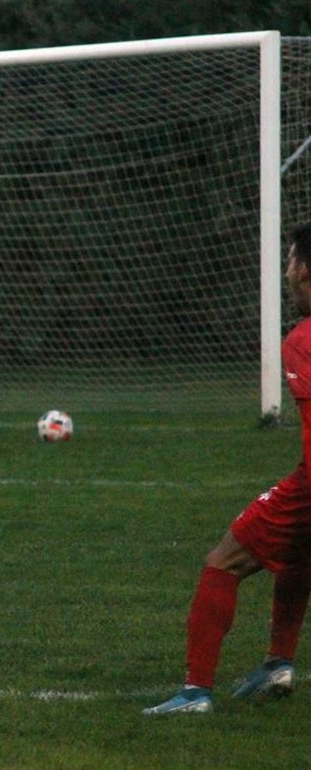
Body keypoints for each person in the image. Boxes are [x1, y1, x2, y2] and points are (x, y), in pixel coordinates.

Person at [143, 223, 311, 715]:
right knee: (297, 557)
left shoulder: (302, 341)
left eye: (290, 261)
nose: (286, 272)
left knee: (224, 560)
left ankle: (195, 692)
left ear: (306, 270)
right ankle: (278, 662)